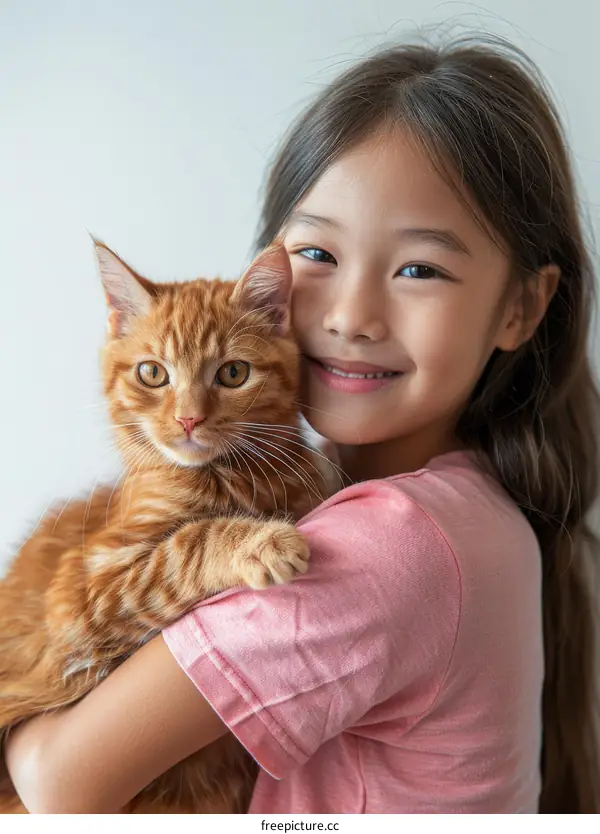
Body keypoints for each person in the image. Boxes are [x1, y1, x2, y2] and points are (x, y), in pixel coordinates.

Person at [3, 36, 599, 814]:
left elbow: (58, 782)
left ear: (520, 306)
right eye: (317, 252)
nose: (351, 317)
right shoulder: (469, 503)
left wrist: (15, 708)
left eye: (418, 268)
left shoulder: (389, 544)